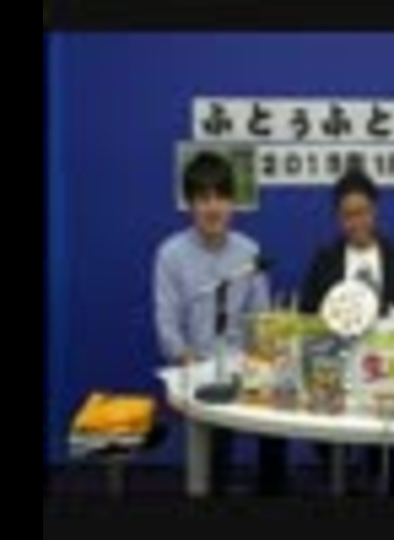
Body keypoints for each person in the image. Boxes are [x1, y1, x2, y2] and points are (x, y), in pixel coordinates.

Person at [153, 151, 287, 496]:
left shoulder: (249, 252)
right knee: (214, 446)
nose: (213, 208)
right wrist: (189, 361)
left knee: (279, 423)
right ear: (190, 205)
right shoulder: (170, 255)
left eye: (221, 197)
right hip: (196, 367)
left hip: (245, 368)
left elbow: (261, 320)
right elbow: (167, 327)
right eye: (203, 198)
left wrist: (260, 363)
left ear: (233, 203)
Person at [300, 169, 394, 494]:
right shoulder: (324, 260)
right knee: (328, 442)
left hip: (386, 371)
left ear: (375, 210)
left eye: (363, 212)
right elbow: (307, 317)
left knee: (385, 452)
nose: (356, 222)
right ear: (338, 218)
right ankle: (342, 481)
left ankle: (383, 479)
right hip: (334, 370)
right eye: (348, 215)